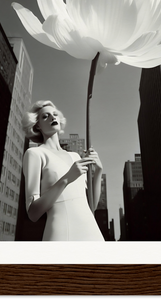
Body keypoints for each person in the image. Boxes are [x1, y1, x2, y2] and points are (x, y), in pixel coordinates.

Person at [21, 100, 105, 241]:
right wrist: (67, 179)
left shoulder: (75, 156)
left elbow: (91, 206)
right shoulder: (34, 154)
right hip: (62, 233)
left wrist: (98, 171)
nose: (52, 117)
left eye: (55, 114)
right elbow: (33, 213)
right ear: (37, 126)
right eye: (45, 116)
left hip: (92, 232)